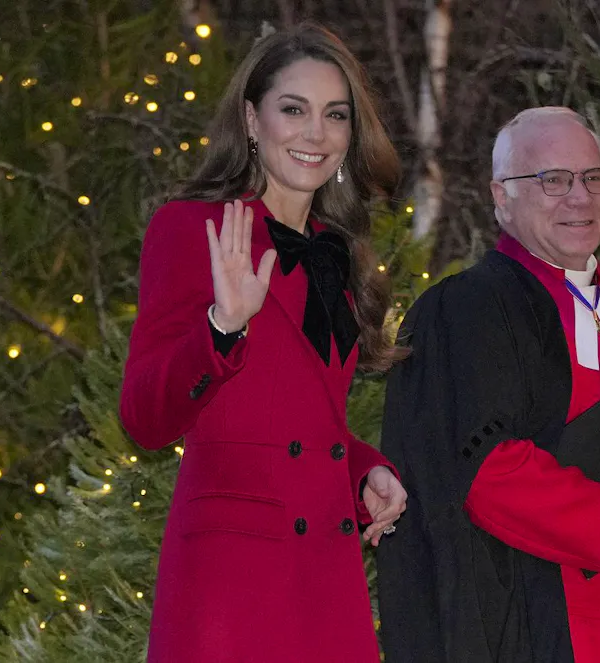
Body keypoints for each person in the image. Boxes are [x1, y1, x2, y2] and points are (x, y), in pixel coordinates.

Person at [377, 107, 600, 663]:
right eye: (553, 179)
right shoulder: (466, 308)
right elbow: (485, 473)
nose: (580, 197)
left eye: (593, 178)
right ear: (501, 196)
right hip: (541, 625)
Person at [119, 23, 407, 663]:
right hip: (231, 592)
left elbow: (298, 422)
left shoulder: (341, 255)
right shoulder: (191, 228)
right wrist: (222, 326)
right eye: (293, 110)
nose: (316, 134)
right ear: (252, 119)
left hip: (326, 586)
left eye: (335, 115)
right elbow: (143, 418)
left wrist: (364, 469)